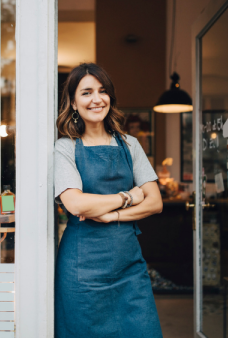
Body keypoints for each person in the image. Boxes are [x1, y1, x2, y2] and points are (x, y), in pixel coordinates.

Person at [53, 63, 163, 338]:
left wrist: (111, 215)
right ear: (74, 103)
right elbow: (75, 204)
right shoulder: (65, 147)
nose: (96, 99)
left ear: (110, 98)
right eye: (87, 92)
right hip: (82, 269)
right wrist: (128, 196)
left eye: (102, 91)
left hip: (128, 266)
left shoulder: (129, 144)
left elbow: (154, 202)